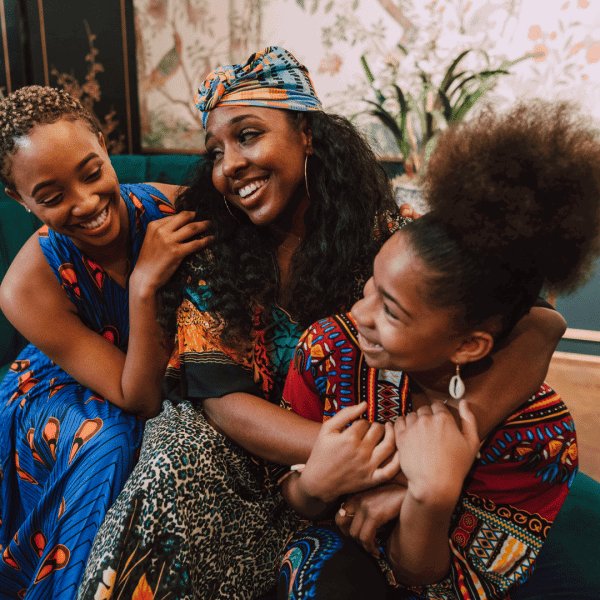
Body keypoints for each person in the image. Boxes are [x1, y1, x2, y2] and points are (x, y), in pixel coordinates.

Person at [78, 48, 566, 600]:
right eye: (215, 152)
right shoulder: (213, 249)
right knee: (173, 456)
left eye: (248, 135)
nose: (229, 164)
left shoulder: (385, 236)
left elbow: (540, 323)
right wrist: (368, 461)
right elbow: (218, 397)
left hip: (352, 463)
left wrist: (448, 437)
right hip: (234, 455)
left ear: (307, 133)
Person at [277, 100, 600, 600]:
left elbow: (446, 586)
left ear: (469, 345)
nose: (360, 315)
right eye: (370, 287)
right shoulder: (327, 350)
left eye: (391, 310)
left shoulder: (539, 440)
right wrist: (312, 485)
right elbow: (280, 504)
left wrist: (430, 497)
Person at [0, 86, 210, 600]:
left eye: (92, 172)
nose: (87, 202)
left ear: (103, 142)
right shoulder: (24, 287)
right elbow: (138, 397)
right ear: (19, 200)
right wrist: (144, 286)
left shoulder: (175, 212)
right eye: (51, 197)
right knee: (109, 439)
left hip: (148, 379)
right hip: (54, 391)